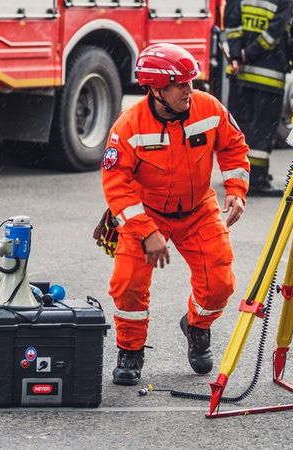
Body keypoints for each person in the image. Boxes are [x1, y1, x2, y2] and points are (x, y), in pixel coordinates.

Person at [100, 43, 250, 386]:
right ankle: (130, 351)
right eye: (180, 84)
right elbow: (117, 185)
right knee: (128, 285)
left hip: (199, 210)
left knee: (220, 284)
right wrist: (146, 231)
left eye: (190, 82)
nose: (189, 89)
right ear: (155, 89)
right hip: (147, 214)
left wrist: (237, 191)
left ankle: (197, 327)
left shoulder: (208, 108)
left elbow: (234, 146)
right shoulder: (129, 126)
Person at [225, 0, 293, 196]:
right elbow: (274, 34)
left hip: (241, 75)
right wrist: (249, 54)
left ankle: (241, 176)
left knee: (242, 128)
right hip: (268, 78)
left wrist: (237, 54)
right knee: (262, 129)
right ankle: (256, 180)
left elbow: (233, 26)